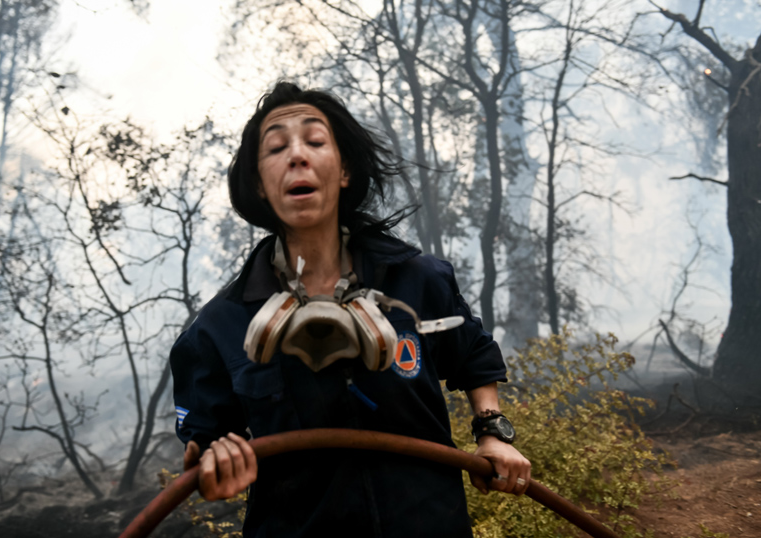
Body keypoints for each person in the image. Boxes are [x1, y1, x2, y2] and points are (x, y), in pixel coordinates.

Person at [170, 82, 530, 537]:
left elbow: (473, 355)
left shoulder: (417, 280)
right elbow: (205, 441)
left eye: (315, 141)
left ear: (344, 171)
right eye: (277, 147)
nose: (297, 156)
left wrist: (492, 431)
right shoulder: (221, 326)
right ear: (260, 186)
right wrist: (214, 467)